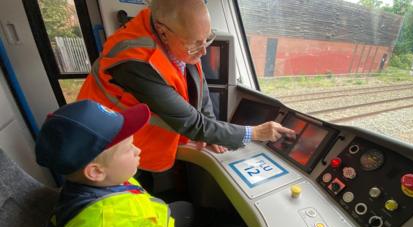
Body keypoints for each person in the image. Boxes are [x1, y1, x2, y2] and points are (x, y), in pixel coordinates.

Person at [76, 0, 295, 175]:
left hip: (139, 143)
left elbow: (200, 86)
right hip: (112, 150)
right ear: (162, 32)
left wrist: (213, 131)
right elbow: (191, 124)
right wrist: (254, 132)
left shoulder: (184, 37)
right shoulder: (135, 61)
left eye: (207, 40)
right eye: (195, 45)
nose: (203, 52)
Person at [36, 100, 209, 227]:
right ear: (96, 172)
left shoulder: (107, 180)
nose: (137, 150)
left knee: (188, 209)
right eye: (127, 149)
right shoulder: (98, 225)